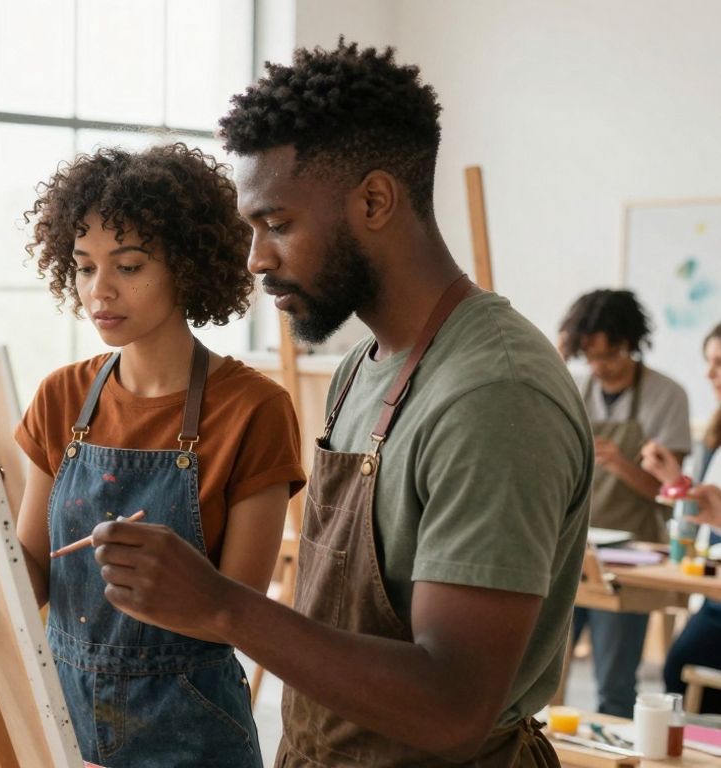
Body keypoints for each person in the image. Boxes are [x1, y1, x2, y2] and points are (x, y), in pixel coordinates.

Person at [90, 40, 592, 765]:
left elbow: (452, 705)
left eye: (279, 224)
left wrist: (222, 605)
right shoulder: (364, 365)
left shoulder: (492, 395)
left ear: (376, 200)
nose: (256, 258)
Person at [15, 143, 306, 767]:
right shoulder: (60, 396)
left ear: (186, 265)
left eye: (129, 265)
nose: (101, 291)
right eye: (85, 267)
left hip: (189, 728)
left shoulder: (253, 408)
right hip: (63, 717)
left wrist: (161, 581)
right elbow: (32, 569)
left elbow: (240, 611)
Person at [559, 288, 690, 716]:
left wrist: (620, 465)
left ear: (632, 344)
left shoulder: (666, 396)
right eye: (590, 356)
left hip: (635, 558)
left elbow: (671, 495)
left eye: (611, 355)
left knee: (614, 684)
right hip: (570, 549)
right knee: (539, 676)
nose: (601, 367)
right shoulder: (574, 388)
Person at [640, 321, 721, 714]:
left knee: (682, 671)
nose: (709, 374)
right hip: (713, 594)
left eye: (719, 363)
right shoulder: (714, 433)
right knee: (677, 671)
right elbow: (712, 511)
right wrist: (674, 480)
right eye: (708, 362)